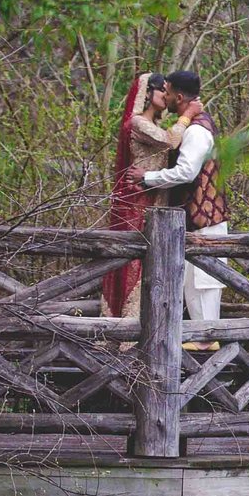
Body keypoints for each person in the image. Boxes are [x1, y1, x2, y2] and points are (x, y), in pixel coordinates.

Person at [139, 70, 230, 327]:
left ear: (178, 97)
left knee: (203, 288)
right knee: (192, 287)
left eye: (166, 92)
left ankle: (205, 350)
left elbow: (186, 172)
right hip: (195, 222)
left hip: (206, 222)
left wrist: (147, 177)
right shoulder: (193, 126)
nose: (164, 96)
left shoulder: (197, 131)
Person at [101, 73, 186, 317]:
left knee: (149, 264)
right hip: (136, 206)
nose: (166, 96)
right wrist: (187, 115)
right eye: (162, 90)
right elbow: (171, 141)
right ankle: (124, 330)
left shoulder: (153, 126)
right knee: (132, 265)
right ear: (147, 94)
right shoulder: (137, 124)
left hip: (153, 204)